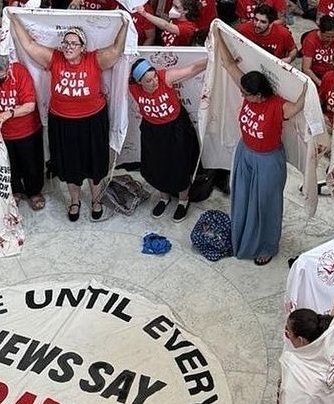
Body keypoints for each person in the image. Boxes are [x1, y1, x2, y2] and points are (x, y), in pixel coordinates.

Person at [8, 18, 127, 222]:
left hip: (92, 122)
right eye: (66, 42)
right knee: (70, 165)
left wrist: (125, 24)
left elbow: (116, 50)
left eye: (74, 43)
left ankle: (96, 200)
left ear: (83, 47)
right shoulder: (54, 58)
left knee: (94, 164)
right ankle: (75, 201)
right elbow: (28, 44)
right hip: (63, 123)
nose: (68, 47)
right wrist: (12, 17)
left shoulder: (93, 59)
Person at [220, 58, 306, 265]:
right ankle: (241, 237)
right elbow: (228, 64)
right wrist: (218, 28)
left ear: (259, 95)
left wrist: (307, 82)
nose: (242, 96)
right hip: (246, 153)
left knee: (267, 205)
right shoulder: (249, 90)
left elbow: (302, 101)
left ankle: (268, 246)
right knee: (242, 198)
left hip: (268, 161)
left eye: (245, 94)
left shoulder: (278, 106)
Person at [128, 58, 205, 222]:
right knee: (156, 166)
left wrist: (213, 57)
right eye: (149, 80)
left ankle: (183, 200)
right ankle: (164, 197)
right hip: (152, 130)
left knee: (180, 165)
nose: (154, 81)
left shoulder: (165, 77)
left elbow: (192, 68)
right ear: (139, 82)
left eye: (154, 76)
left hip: (175, 127)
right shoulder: (132, 88)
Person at [0, 49, 44, 210]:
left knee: (31, 164)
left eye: (2, 77)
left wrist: (8, 114)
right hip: (1, 133)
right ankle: (15, 191)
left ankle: (34, 192)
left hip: (26, 130)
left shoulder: (19, 72)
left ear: (8, 68)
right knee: (8, 165)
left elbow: (29, 105)